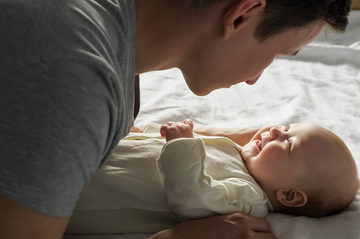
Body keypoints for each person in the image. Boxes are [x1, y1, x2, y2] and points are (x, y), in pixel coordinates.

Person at [0, 0, 352, 238]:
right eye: (276, 53)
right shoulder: (75, 81)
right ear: (241, 15)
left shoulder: (107, 40)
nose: (254, 79)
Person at [65, 120, 358, 234]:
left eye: (289, 143)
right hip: (93, 157)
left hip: (86, 196)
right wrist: (151, 131)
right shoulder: (239, 154)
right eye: (288, 126)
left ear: (290, 195)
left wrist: (181, 145)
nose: (277, 131)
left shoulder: (248, 197)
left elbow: (194, 199)